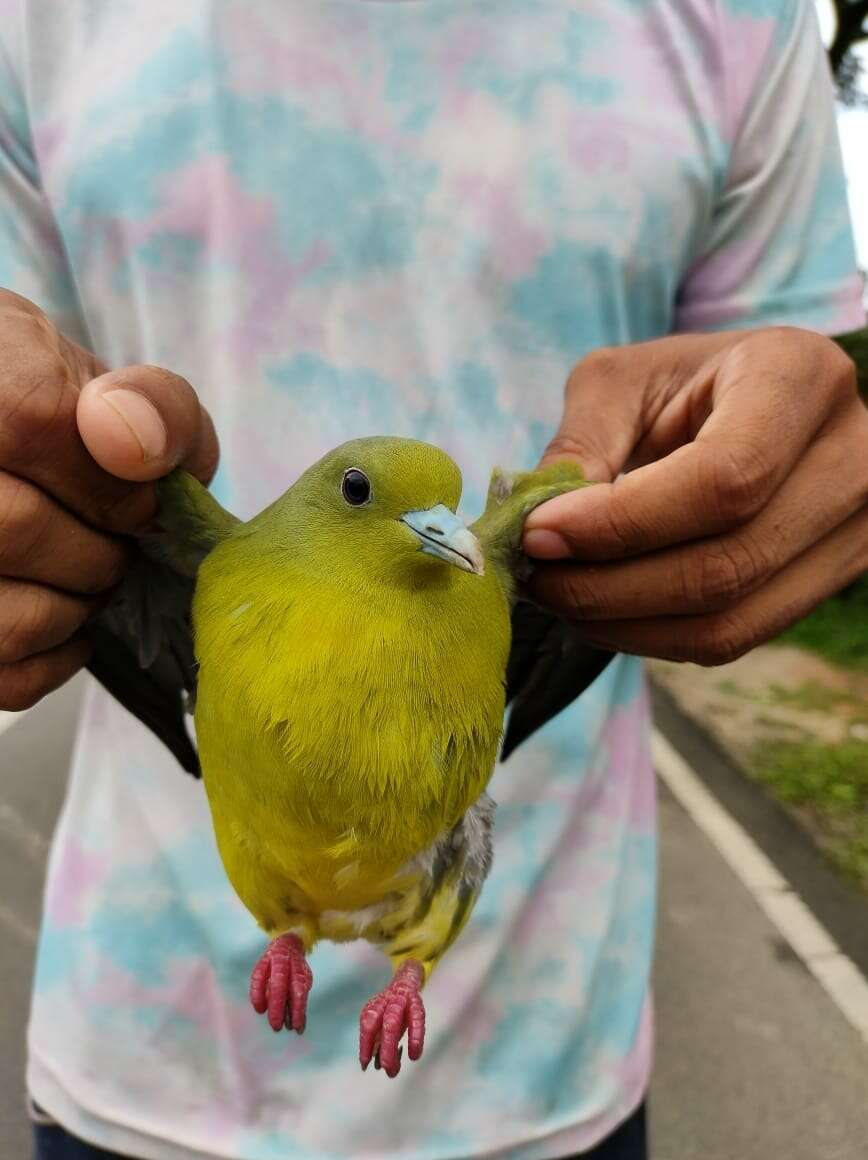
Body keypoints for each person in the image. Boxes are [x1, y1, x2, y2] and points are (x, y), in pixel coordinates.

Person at [1, 1, 865, 1157]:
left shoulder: (737, 17)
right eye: (384, 503)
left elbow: (788, 384)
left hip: (553, 1058)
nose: (442, 530)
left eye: (444, 511)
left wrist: (799, 448)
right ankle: (290, 936)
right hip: (134, 1052)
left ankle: (410, 963)